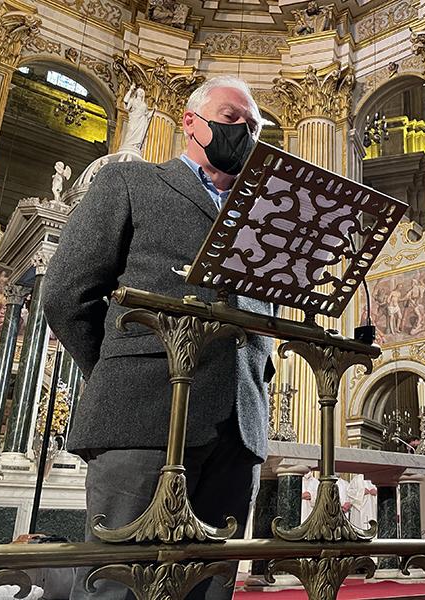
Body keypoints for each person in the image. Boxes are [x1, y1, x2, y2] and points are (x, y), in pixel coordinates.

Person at [44, 74, 274, 600]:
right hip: (141, 414)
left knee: (207, 586)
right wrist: (120, 368)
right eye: (232, 118)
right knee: (119, 582)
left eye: (254, 126)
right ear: (191, 122)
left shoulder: (263, 216)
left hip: (239, 422)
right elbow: (66, 294)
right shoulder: (131, 182)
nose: (244, 132)